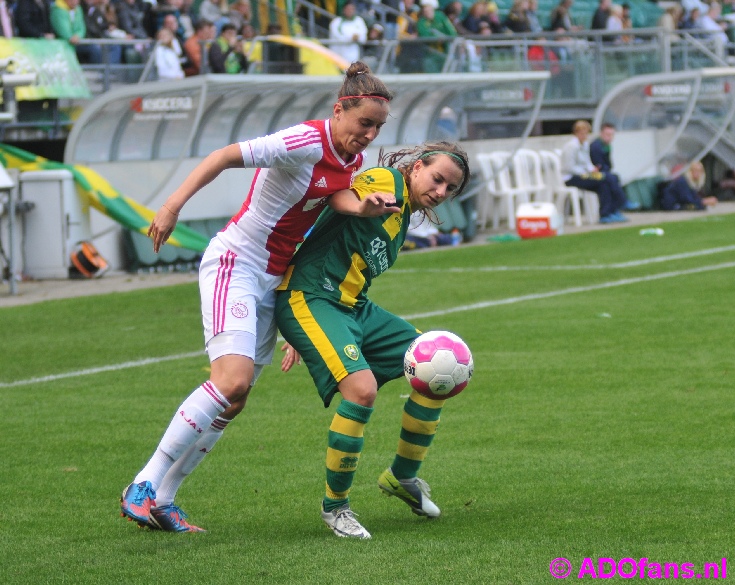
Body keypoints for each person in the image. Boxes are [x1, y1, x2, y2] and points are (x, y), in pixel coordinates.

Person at [119, 62, 394, 533]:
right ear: (340, 110)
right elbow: (224, 155)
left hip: (274, 279)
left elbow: (336, 198)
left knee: (236, 397)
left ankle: (164, 501)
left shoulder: (351, 160)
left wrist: (363, 206)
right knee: (230, 380)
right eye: (364, 122)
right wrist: (170, 207)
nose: (369, 134)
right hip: (237, 263)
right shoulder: (305, 141)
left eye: (378, 127)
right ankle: (142, 484)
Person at [274, 141, 471, 539]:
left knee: (437, 364)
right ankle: (336, 508)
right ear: (416, 168)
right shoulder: (386, 182)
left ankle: (402, 476)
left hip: (351, 307)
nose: (441, 192)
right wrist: (362, 203)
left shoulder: (404, 218)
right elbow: (339, 198)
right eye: (437, 179)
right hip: (312, 297)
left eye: (450, 189)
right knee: (361, 391)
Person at [560, 119, 629, 223]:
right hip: (572, 178)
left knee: (604, 183)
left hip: (584, 175)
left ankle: (605, 214)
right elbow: (569, 167)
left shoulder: (585, 145)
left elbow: (587, 162)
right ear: (576, 133)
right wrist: (586, 173)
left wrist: (592, 169)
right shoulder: (571, 147)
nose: (584, 135)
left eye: (586, 133)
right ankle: (622, 201)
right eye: (581, 133)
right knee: (606, 177)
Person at [589, 122, 639, 210]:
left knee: (613, 178)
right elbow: (599, 165)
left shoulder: (606, 146)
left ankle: (612, 210)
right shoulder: (596, 146)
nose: (610, 137)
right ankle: (622, 202)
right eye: (607, 134)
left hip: (602, 173)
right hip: (592, 174)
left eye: (611, 135)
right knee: (610, 179)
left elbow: (608, 165)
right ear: (601, 133)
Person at [51, 0, 103, 64]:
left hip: (77, 41)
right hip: (63, 42)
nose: (76, 2)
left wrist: (78, 36)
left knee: (95, 49)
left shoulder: (78, 9)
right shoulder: (58, 9)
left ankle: (96, 72)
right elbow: (61, 27)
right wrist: (70, 37)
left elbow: (81, 27)